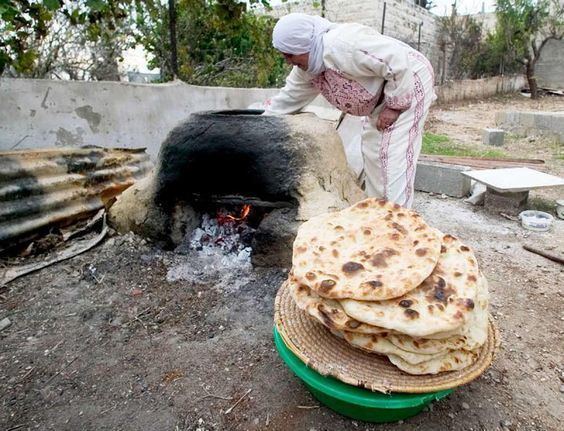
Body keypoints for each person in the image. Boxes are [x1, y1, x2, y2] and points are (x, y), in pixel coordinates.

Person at [263, 13, 436, 209]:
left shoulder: (343, 45)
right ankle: (379, 214)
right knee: (374, 152)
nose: (287, 61)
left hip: (408, 81)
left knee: (390, 157)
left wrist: (394, 106)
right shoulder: (308, 69)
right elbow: (286, 100)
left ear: (304, 45)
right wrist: (257, 128)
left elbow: (396, 61)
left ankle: (396, 223)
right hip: (383, 94)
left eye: (290, 54)